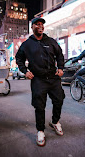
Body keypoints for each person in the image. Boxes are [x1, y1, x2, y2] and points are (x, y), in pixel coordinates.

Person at [15, 17, 65, 146]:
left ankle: (55, 121)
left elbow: (60, 55)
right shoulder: (27, 44)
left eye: (42, 24)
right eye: (37, 24)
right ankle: (40, 130)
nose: (40, 26)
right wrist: (25, 71)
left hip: (53, 77)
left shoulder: (51, 41)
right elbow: (19, 58)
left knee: (59, 100)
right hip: (38, 79)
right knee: (39, 105)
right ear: (32, 27)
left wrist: (60, 67)